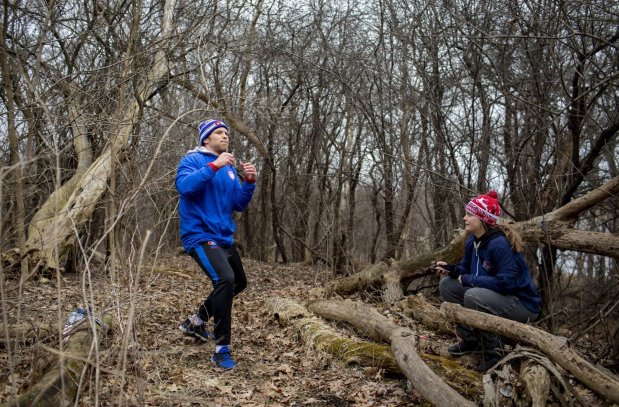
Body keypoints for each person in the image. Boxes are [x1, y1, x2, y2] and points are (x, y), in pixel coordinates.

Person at [175, 119, 257, 369]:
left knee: (239, 282)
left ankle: (196, 321)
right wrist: (213, 165)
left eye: (226, 133)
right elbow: (185, 187)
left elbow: (237, 204)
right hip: (199, 235)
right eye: (219, 133)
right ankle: (222, 349)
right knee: (225, 279)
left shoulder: (230, 169)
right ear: (206, 139)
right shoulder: (192, 161)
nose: (225, 136)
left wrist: (249, 184)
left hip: (223, 237)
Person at [435, 190, 541, 372]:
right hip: (494, 297)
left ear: (483, 219)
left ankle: (494, 351)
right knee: (447, 285)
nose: (464, 218)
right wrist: (451, 269)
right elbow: (466, 271)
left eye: (469, 214)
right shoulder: (472, 242)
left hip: (522, 305)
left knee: (473, 295)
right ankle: (471, 339)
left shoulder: (499, 245)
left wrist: (469, 279)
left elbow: (507, 284)